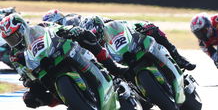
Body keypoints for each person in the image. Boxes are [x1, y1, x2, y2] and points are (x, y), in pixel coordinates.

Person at [0, 13, 128, 109]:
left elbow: (56, 28)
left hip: (58, 52)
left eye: (14, 36)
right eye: (9, 39)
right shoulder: (14, 54)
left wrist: (71, 30)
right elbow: (20, 69)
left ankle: (112, 66)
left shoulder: (40, 27)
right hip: (42, 70)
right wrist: (26, 76)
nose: (13, 42)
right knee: (30, 99)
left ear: (22, 29)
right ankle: (66, 99)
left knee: (86, 36)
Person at [42, 10, 196, 71]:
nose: (57, 26)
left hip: (114, 31)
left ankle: (177, 57)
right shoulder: (54, 36)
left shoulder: (72, 20)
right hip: (94, 54)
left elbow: (94, 23)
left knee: (151, 28)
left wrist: (96, 29)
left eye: (58, 22)